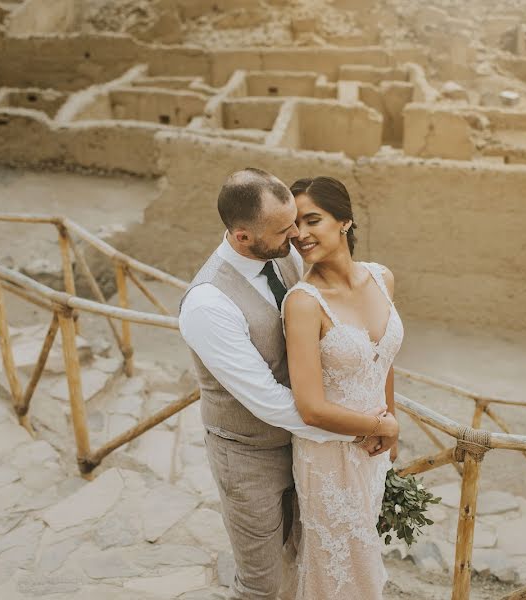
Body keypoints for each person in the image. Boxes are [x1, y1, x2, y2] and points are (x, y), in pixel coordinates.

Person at [178, 168, 398, 600]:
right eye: (285, 228)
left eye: (298, 220)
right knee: (260, 583)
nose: (296, 235)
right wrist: (362, 429)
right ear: (243, 237)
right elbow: (269, 402)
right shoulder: (208, 303)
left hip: (311, 447)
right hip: (250, 456)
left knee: (305, 557)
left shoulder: (285, 251)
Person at [281, 175, 403, 599]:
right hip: (328, 455)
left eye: (312, 220)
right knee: (339, 575)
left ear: (345, 221)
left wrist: (392, 424)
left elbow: (382, 360)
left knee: (363, 562)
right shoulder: (303, 302)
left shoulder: (382, 278)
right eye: (295, 225)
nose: (301, 234)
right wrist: (380, 428)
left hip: (373, 453)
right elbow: (310, 407)